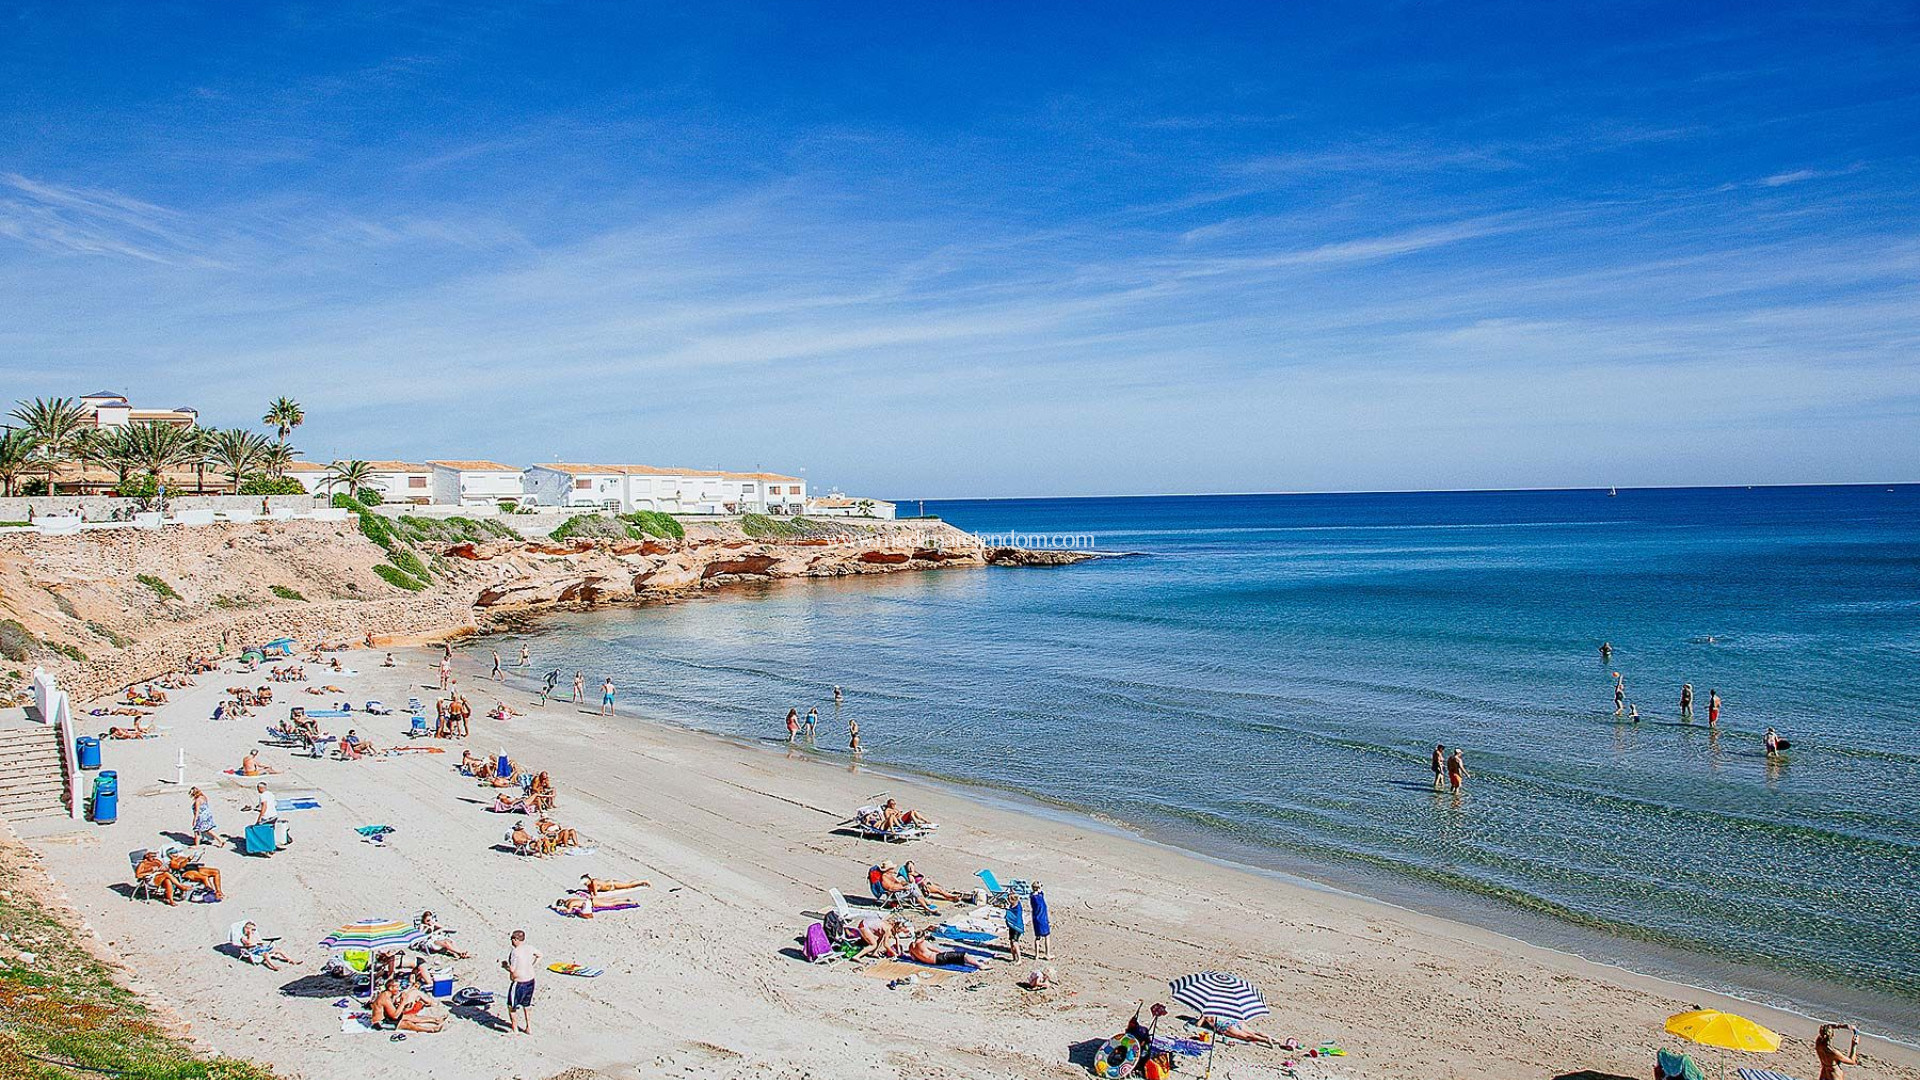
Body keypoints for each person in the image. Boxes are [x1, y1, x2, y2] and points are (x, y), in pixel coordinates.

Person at [371, 977, 446, 1033]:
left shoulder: (387, 994)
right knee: (407, 1024)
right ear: (390, 988)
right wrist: (403, 1002)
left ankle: (435, 1020)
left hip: (387, 1017)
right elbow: (395, 1016)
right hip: (380, 1023)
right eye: (397, 987)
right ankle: (431, 1029)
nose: (398, 989)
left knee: (410, 1017)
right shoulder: (385, 999)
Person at [501, 930, 540, 1035]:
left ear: (516, 939)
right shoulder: (529, 948)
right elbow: (540, 955)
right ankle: (529, 1027)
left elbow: (512, 969)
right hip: (530, 980)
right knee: (527, 1005)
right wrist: (532, 965)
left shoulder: (515, 952)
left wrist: (505, 966)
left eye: (512, 939)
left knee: (511, 1006)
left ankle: (515, 1029)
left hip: (519, 983)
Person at [907, 929, 980, 969]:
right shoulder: (924, 943)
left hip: (930, 962)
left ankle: (971, 963)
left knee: (955, 959)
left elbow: (914, 958)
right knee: (963, 955)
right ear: (923, 936)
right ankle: (979, 965)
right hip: (938, 959)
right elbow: (938, 951)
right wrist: (947, 952)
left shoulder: (911, 946)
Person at [1030, 881, 1052, 959]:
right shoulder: (1039, 897)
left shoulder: (1032, 896)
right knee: (1047, 936)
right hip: (1042, 918)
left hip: (1036, 918)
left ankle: (1036, 955)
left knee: (1037, 937)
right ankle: (1047, 954)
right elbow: (1041, 894)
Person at [1004, 892, 1026, 963]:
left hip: (1017, 927)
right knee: (1011, 942)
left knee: (1015, 942)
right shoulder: (1012, 906)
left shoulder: (1017, 908)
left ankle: (1019, 959)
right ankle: (1014, 958)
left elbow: (1014, 917)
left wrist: (1007, 911)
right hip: (1012, 927)